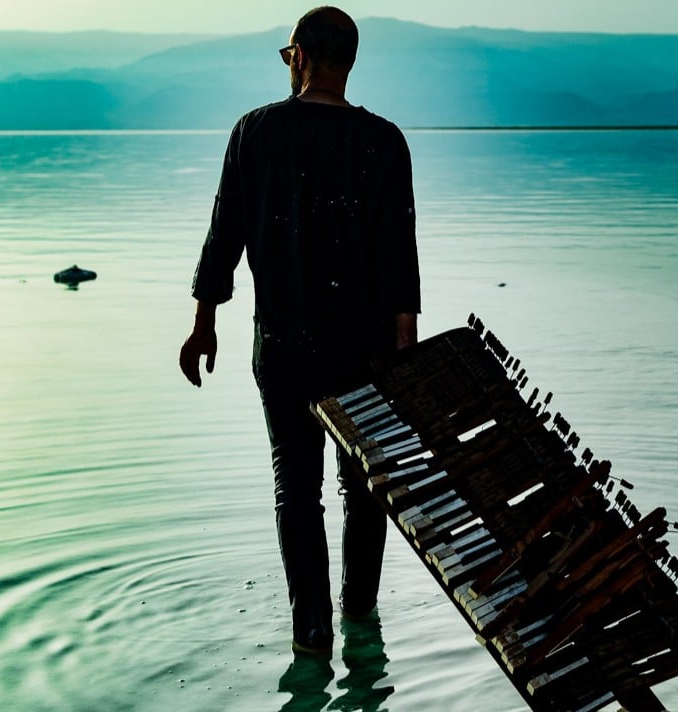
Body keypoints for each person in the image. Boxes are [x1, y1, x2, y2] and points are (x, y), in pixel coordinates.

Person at [179, 6, 420, 655]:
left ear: (303, 56)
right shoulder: (384, 141)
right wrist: (406, 347)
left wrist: (204, 324)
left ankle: (311, 629)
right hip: (365, 347)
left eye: (289, 54)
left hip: (283, 342)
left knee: (296, 484)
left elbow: (224, 234)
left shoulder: (255, 131)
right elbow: (399, 254)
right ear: (349, 62)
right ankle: (360, 612)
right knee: (363, 484)